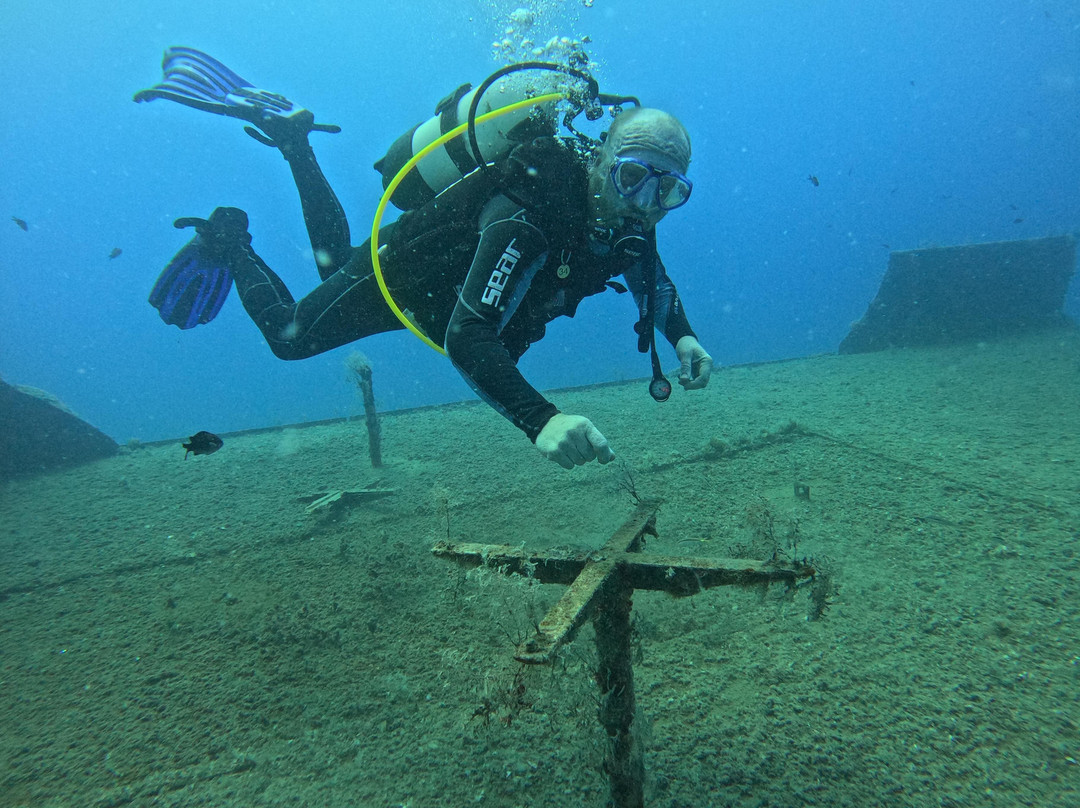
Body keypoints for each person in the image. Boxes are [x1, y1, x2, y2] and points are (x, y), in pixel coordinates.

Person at [138, 48, 713, 470]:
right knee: (291, 337)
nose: (644, 205)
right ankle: (231, 238)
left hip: (442, 290)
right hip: (406, 278)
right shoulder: (529, 217)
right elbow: (469, 337)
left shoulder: (623, 223)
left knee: (334, 259)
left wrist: (681, 334)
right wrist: (544, 421)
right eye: (633, 177)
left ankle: (294, 141)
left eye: (668, 193)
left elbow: (647, 272)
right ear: (601, 158)